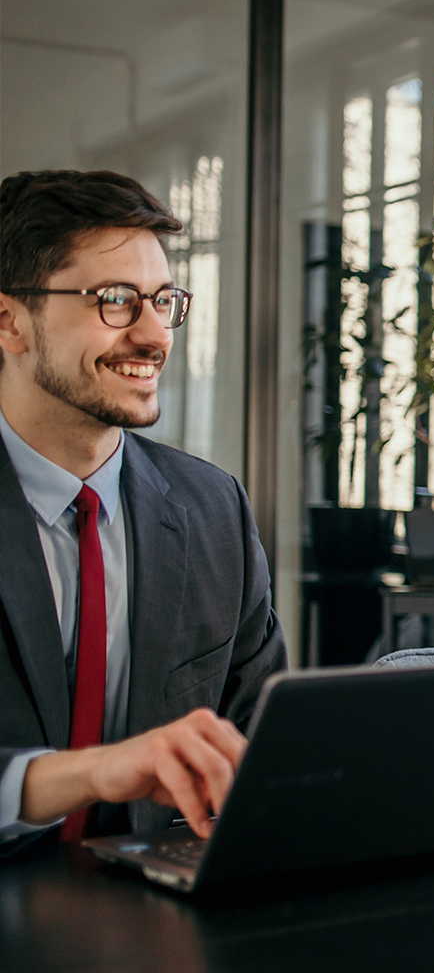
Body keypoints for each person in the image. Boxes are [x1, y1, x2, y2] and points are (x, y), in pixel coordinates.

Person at [0, 170, 285, 850]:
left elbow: (260, 743)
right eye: (117, 300)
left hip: (168, 918)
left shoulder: (214, 508)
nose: (156, 336)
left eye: (164, 301)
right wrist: (93, 773)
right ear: (10, 321)